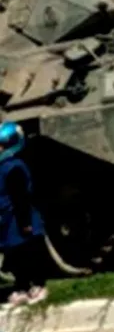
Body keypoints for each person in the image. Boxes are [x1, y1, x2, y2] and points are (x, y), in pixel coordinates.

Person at [0, 120, 48, 306]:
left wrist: (25, 222)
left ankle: (37, 286)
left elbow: (20, 197)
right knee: (14, 257)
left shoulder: (14, 167)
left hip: (19, 219)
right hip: (6, 219)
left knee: (29, 254)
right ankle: (21, 286)